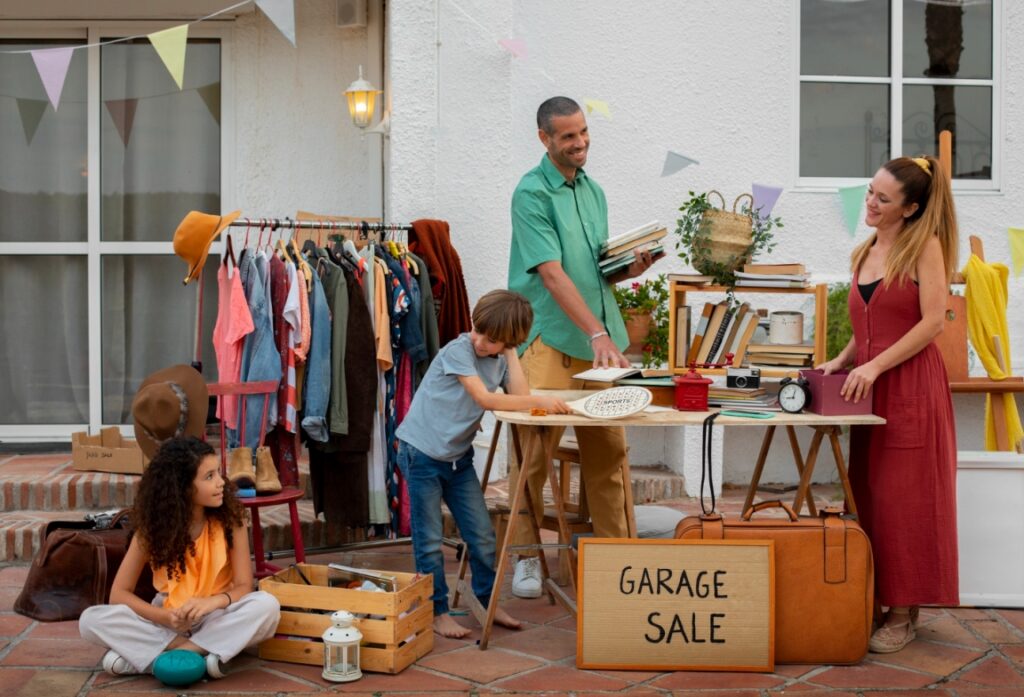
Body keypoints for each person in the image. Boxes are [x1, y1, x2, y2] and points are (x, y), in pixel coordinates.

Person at [506, 96, 656, 598]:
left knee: (608, 455)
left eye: (584, 132)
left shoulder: (594, 192)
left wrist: (629, 269)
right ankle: (525, 557)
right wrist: (597, 333)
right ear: (544, 139)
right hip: (551, 340)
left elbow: (593, 265)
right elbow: (551, 273)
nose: (581, 143)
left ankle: (618, 558)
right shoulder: (530, 194)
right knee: (532, 460)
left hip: (600, 344)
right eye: (568, 136)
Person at [817, 155, 959, 654]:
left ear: (911, 208)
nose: (871, 204)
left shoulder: (926, 248)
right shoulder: (864, 251)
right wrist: (842, 359)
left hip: (911, 387)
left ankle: (904, 613)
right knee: (870, 494)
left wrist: (876, 366)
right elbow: (869, 327)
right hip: (867, 392)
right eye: (871, 192)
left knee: (906, 500)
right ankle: (873, 598)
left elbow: (932, 322)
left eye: (883, 199)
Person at [81, 371, 280, 679]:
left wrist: (213, 602)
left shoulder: (232, 520)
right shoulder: (153, 527)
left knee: (266, 606)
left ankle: (169, 655)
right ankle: (205, 655)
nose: (220, 483)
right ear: (183, 487)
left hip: (217, 612)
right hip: (167, 617)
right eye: (209, 477)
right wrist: (164, 617)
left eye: (218, 473)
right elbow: (119, 594)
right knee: (90, 620)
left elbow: (244, 586)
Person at [395, 289, 571, 638]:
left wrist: (511, 353)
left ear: (507, 342)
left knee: (484, 538)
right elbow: (486, 399)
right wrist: (541, 400)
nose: (479, 340)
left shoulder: (502, 355)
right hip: (421, 455)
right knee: (429, 540)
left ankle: (488, 602)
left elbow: (517, 396)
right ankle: (437, 611)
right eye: (477, 330)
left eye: (491, 340)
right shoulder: (458, 350)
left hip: (457, 460)